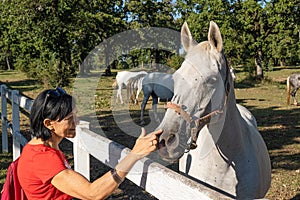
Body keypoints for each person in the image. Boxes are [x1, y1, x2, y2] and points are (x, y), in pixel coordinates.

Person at [17, 87, 162, 200]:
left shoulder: (40, 148)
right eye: (69, 118)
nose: (77, 122)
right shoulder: (43, 158)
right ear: (49, 124)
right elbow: (93, 193)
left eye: (76, 115)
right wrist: (134, 155)